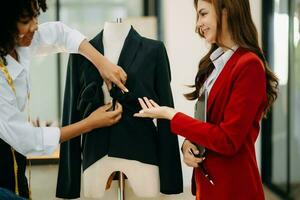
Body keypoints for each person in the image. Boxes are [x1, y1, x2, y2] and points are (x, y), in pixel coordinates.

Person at [134, 0, 278, 199]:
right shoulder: (213, 65)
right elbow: (208, 124)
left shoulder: (249, 65)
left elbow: (228, 140)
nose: (197, 24)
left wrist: (172, 115)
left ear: (226, 11)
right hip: (208, 185)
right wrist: (188, 144)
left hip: (233, 189)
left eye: (203, 14)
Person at [0, 0, 126, 198]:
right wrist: (89, 124)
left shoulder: (21, 42)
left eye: (35, 16)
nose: (34, 25)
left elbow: (60, 33)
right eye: (26, 21)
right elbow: (27, 140)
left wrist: (102, 63)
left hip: (15, 158)